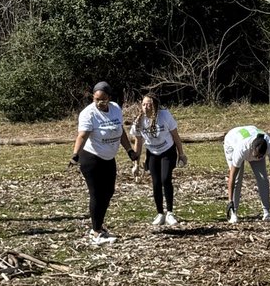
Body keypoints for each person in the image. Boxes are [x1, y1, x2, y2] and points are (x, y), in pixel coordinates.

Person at [71, 82, 137, 245]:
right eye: (97, 99)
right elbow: (82, 136)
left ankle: (98, 225)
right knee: (97, 194)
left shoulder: (115, 108)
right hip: (91, 158)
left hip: (109, 158)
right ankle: (96, 233)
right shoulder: (88, 113)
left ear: (109, 97)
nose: (100, 102)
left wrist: (129, 151)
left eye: (103, 99)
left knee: (108, 192)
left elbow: (120, 131)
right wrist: (75, 155)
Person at [130, 93, 187, 226]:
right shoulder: (139, 121)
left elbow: (175, 136)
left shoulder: (165, 116)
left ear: (155, 105)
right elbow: (138, 143)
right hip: (152, 153)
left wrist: (181, 154)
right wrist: (136, 164)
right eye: (143, 104)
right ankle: (160, 213)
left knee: (165, 179)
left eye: (149, 104)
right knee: (156, 183)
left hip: (168, 150)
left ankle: (170, 213)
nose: (146, 107)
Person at [223, 125, 270, 224]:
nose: (258, 158)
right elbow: (232, 176)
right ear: (252, 149)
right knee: (238, 178)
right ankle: (234, 212)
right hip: (232, 142)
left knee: (263, 178)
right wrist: (230, 201)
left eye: (261, 156)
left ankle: (267, 213)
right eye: (257, 156)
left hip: (253, 137)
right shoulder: (242, 148)